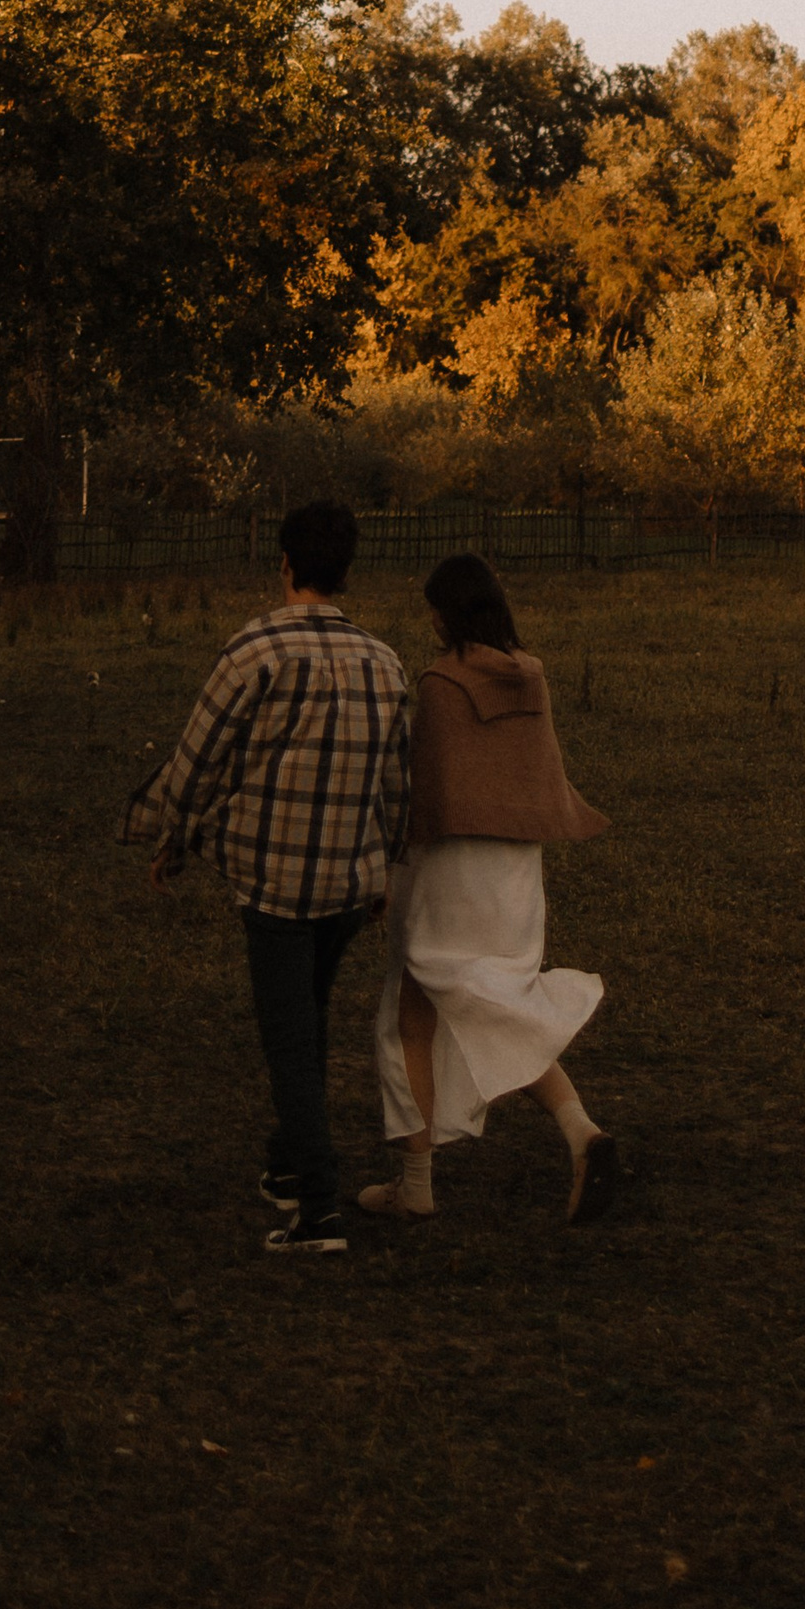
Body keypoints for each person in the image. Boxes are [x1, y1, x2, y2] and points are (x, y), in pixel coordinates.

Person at [124, 500, 408, 1257]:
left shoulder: (254, 650)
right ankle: (286, 1166)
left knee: (289, 1039)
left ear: (284, 563)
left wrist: (172, 838)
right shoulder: (384, 661)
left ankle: (319, 1208)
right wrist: (384, 866)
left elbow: (197, 759)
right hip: (348, 882)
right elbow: (396, 782)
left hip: (274, 882)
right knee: (307, 1018)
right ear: (347, 572)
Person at [362, 550, 617, 1225]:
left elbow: (426, 789)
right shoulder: (532, 676)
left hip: (452, 866)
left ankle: (415, 1184)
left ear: (446, 614)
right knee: (495, 1004)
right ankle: (580, 1131)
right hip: (517, 869)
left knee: (412, 1015)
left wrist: (387, 864)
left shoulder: (442, 681)